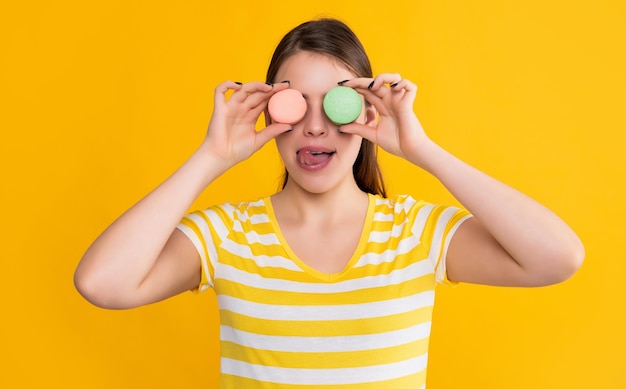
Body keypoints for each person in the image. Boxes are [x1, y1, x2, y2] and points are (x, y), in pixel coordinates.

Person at [74, 18, 584, 388]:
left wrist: (422, 152)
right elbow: (102, 283)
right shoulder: (228, 235)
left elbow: (558, 257)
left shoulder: (414, 233)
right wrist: (211, 158)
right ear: (269, 112)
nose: (315, 126)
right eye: (294, 103)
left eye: (336, 103)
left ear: (366, 112)